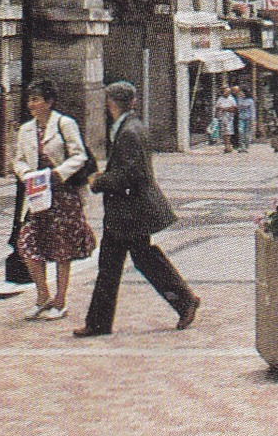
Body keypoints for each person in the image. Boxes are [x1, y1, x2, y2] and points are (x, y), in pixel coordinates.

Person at [75, 81, 199, 338]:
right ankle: (99, 322)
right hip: (127, 210)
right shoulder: (131, 127)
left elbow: (131, 175)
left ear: (111, 103)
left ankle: (184, 301)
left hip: (129, 211)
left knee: (127, 262)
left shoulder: (129, 131)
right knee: (129, 261)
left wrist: (98, 182)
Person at [13, 79, 97, 321]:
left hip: (63, 194)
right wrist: (27, 174)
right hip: (38, 195)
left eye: (36, 99)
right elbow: (18, 159)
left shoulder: (64, 124)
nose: (32, 104)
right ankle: (42, 295)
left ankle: (60, 301)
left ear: (49, 102)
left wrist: (58, 174)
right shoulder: (26, 130)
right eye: (30, 99)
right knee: (28, 242)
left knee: (62, 247)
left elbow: (79, 155)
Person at [214, 84, 239, 153]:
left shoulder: (231, 99)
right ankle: (226, 145)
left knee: (228, 131)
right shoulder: (220, 99)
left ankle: (228, 145)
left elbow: (234, 108)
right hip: (221, 117)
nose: (225, 93)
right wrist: (217, 115)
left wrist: (225, 109)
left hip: (229, 117)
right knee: (223, 132)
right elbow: (217, 107)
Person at [234, 84, 256, 152]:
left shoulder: (250, 100)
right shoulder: (239, 99)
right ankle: (241, 145)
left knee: (247, 132)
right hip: (241, 118)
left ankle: (246, 146)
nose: (241, 93)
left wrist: (253, 120)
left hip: (248, 118)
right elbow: (237, 107)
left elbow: (253, 110)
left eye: (242, 92)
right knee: (241, 132)